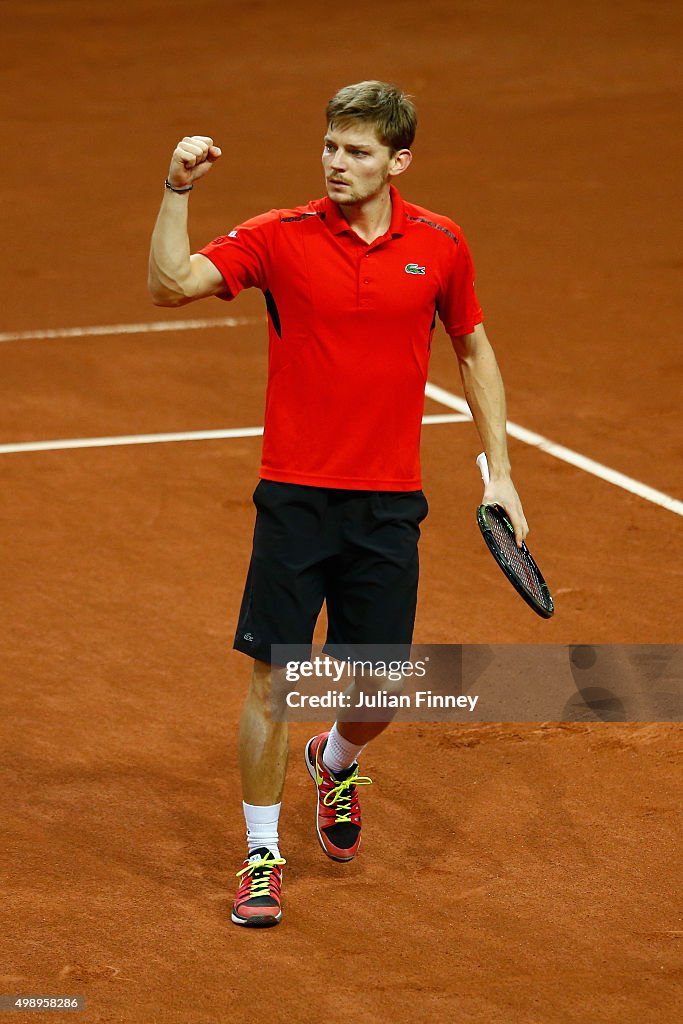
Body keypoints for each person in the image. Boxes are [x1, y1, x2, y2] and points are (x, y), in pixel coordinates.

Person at [148, 80, 528, 928]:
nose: (337, 164)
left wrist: (497, 470)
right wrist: (178, 188)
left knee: (378, 689)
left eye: (357, 152)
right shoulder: (279, 238)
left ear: (397, 161)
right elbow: (169, 283)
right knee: (273, 681)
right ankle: (259, 853)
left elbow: (471, 345)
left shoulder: (440, 243)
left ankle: (335, 758)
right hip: (295, 498)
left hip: (388, 504)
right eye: (329, 147)